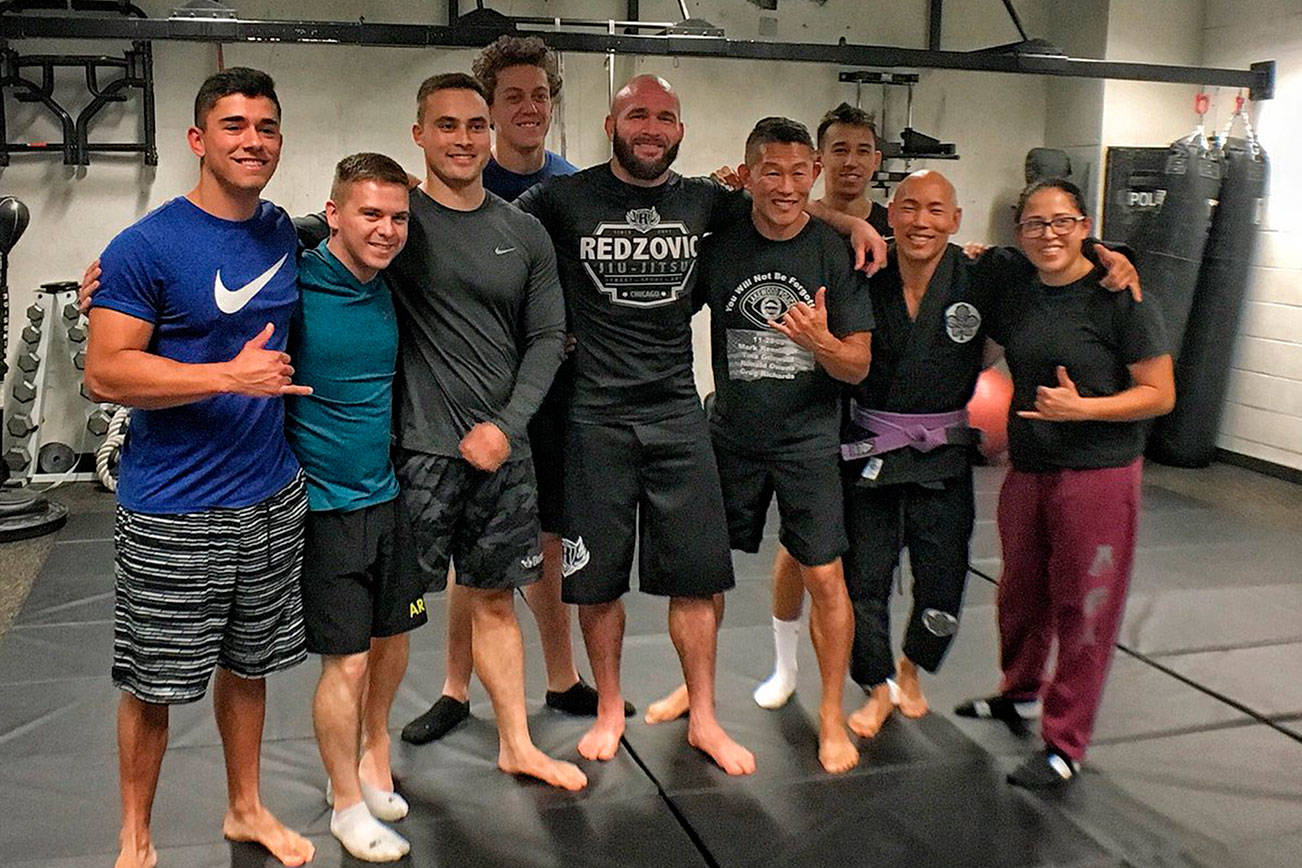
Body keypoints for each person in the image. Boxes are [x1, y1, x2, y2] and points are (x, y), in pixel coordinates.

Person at [516, 75, 885, 775]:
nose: (651, 127)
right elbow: (486, 217)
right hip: (595, 416)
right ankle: (606, 708)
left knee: (695, 579)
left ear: (680, 130)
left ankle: (706, 718)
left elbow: (788, 208)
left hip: (679, 412)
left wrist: (855, 221)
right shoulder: (564, 198)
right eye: (637, 115)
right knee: (595, 583)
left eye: (664, 116)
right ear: (611, 123)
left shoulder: (705, 201)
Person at [84, 68, 316, 868]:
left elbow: (371, 228)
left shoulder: (286, 230)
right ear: (197, 139)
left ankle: (245, 809)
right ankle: (136, 839)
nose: (253, 140)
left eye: (267, 127)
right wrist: (227, 376)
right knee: (152, 684)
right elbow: (105, 373)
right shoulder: (144, 246)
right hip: (174, 507)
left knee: (250, 668)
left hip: (269, 496)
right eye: (234, 125)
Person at [840, 171, 1145, 739]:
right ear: (890, 216)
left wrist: (1112, 254)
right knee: (865, 577)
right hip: (872, 451)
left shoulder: (985, 272)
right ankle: (876, 685)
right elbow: (807, 213)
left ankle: (912, 672)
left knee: (944, 574)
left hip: (946, 454)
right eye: (908, 208)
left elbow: (1058, 250)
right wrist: (851, 220)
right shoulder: (866, 266)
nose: (921, 222)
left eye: (936, 209)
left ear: (956, 219)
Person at [391, 72, 586, 791]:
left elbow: (548, 338)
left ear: (491, 134)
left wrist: (507, 428)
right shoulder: (396, 221)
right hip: (417, 453)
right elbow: (307, 240)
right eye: (446, 126)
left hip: (504, 453)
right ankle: (363, 760)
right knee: (391, 616)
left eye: (475, 126)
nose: (463, 139)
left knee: (497, 597)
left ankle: (515, 742)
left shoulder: (522, 230)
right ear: (419, 134)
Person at [956, 178, 1173, 789]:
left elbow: (1161, 393)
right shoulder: (1015, 286)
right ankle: (1019, 692)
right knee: (1019, 592)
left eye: (1062, 222)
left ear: (1084, 225)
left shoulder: (1122, 298)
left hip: (1099, 474)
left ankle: (1065, 741)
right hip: (1027, 469)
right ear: (1019, 230)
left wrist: (1085, 411)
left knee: (1085, 605)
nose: (1048, 234)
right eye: (1034, 223)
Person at [696, 117, 872, 773]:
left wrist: (820, 344)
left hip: (807, 440)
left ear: (815, 175)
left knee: (824, 575)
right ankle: (699, 698)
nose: (787, 185)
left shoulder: (834, 251)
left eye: (801, 171)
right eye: (772, 170)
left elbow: (856, 365)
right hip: (731, 436)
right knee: (703, 572)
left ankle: (830, 714)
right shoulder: (720, 246)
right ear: (747, 175)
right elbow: (660, 316)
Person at [286, 153, 424, 861]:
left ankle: (373, 760)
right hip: (324, 508)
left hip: (388, 495)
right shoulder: (295, 281)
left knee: (392, 644)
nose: (387, 228)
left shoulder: (390, 282)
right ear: (334, 213)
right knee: (344, 663)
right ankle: (343, 804)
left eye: (398, 216)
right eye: (370, 213)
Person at [752, 102, 889, 710]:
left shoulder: (895, 222)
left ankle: (878, 683)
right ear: (821, 161)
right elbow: (778, 199)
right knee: (798, 552)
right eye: (840, 151)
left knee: (860, 565)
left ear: (877, 161)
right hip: (811, 419)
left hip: (879, 412)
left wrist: (1100, 251)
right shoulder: (803, 214)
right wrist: (832, 216)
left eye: (863, 151)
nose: (852, 162)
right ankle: (786, 668)